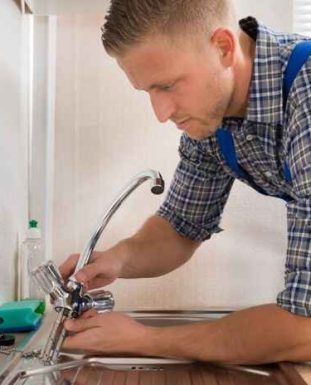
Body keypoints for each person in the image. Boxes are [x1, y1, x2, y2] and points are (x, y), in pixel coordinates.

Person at [59, 0, 311, 364]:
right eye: (148, 91)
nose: (161, 114)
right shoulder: (213, 120)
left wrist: (146, 340)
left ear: (224, 48)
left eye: (168, 86)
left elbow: (305, 328)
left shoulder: (306, 96)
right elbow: (180, 227)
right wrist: (116, 260)